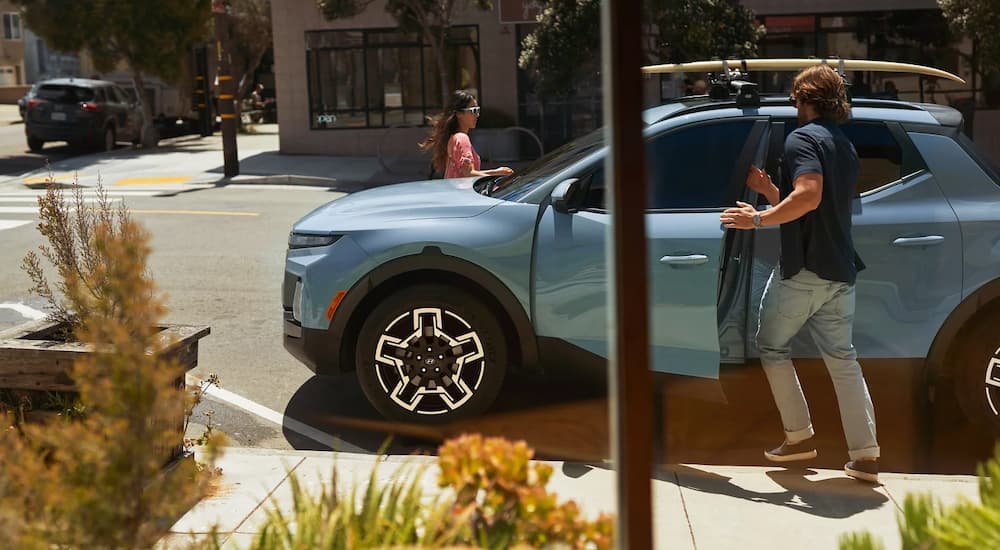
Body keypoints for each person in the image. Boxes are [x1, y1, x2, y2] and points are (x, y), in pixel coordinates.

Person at [719, 64, 880, 483]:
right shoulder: (841, 143)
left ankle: (799, 438)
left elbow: (809, 197)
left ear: (804, 97)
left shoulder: (802, 139)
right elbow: (817, 205)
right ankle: (865, 455)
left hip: (807, 270)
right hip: (840, 270)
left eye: (794, 96)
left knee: (771, 347)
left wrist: (756, 219)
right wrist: (773, 193)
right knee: (844, 361)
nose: (792, 103)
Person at [419, 90, 513, 179]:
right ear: (459, 114)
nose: (477, 115)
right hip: (463, 194)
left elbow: (467, 173)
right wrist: (497, 173)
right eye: (473, 110)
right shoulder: (461, 138)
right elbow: (469, 174)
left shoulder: (454, 138)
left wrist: (496, 172)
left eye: (478, 110)